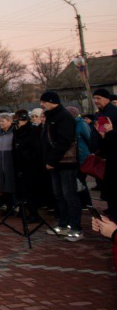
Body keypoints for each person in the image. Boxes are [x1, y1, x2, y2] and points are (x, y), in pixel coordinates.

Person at [41, 91, 83, 241]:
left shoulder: (64, 117)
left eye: (44, 101)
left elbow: (64, 141)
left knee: (69, 194)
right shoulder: (51, 117)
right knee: (58, 194)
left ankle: (76, 227)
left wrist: (52, 160)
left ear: (52, 101)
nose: (42, 104)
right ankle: (63, 224)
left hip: (65, 163)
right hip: (54, 163)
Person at [93, 88, 117, 217]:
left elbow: (111, 135)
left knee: (112, 187)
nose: (96, 101)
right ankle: (111, 209)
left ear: (107, 98)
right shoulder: (101, 113)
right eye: (95, 98)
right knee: (108, 186)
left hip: (113, 155)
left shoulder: (112, 113)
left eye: (99, 98)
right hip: (106, 154)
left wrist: (108, 134)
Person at [0, 113, 16, 208]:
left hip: (10, 161)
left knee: (11, 183)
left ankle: (13, 204)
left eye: (3, 121)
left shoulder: (14, 132)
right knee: (1, 183)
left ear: (9, 121)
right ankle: (6, 204)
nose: (0, 123)